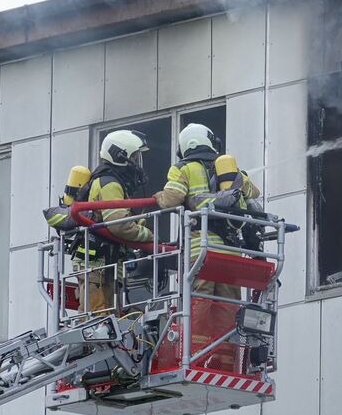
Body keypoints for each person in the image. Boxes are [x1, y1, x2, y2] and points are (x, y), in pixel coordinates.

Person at [154, 123, 260, 300]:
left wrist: (159, 197)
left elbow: (172, 199)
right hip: (230, 251)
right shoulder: (229, 171)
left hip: (201, 251)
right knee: (228, 309)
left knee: (200, 305)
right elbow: (254, 193)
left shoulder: (183, 168)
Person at [75, 129, 154, 313]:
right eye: (134, 158)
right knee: (96, 319)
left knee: (106, 318)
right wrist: (148, 235)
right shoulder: (110, 183)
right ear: (121, 156)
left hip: (105, 262)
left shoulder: (113, 182)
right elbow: (119, 225)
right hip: (97, 263)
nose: (137, 164)